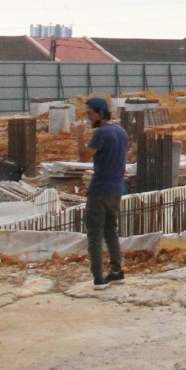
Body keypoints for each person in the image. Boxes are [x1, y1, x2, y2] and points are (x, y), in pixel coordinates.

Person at [84, 97, 129, 286]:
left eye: (90, 114)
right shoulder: (121, 131)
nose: (88, 118)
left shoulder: (101, 133)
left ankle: (98, 277)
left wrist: (79, 137)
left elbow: (83, 156)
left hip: (99, 189)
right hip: (116, 189)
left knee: (95, 233)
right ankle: (117, 271)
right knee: (111, 230)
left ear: (100, 113)